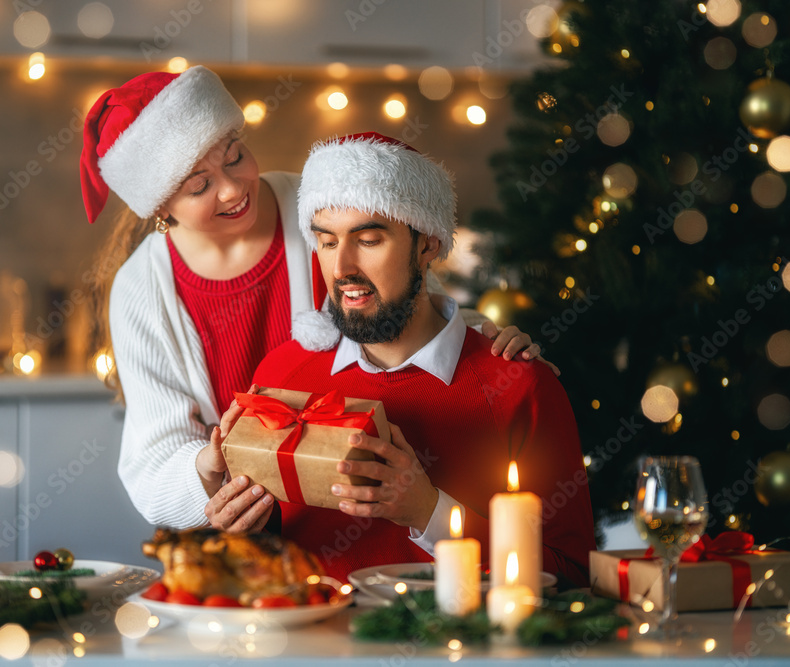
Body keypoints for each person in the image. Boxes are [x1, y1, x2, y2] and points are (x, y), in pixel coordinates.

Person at [81, 67, 549, 530]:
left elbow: (412, 303)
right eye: (199, 185)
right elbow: (152, 462)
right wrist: (212, 476)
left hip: (348, 510)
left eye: (235, 155)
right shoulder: (142, 286)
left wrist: (482, 339)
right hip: (233, 533)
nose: (231, 188)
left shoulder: (320, 209)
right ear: (161, 207)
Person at [207, 132, 595, 583]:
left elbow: (572, 575)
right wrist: (239, 533)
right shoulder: (283, 376)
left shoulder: (518, 384)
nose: (341, 268)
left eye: (368, 240)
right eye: (327, 242)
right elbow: (262, 570)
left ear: (428, 244)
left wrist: (429, 511)